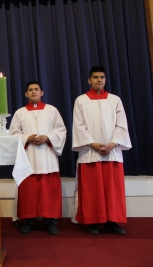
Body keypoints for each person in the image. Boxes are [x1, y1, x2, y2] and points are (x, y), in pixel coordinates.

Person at [72, 66, 132, 235]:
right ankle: (94, 222)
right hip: (90, 152)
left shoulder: (115, 100)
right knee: (92, 190)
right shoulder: (81, 100)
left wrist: (114, 143)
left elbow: (122, 124)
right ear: (89, 80)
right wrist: (93, 144)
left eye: (102, 77)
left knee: (114, 189)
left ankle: (113, 221)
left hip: (112, 152)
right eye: (96, 77)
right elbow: (79, 126)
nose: (99, 80)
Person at [9, 81, 66, 235]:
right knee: (29, 190)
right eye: (30, 90)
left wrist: (47, 137)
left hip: (48, 157)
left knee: (49, 190)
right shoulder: (20, 113)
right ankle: (29, 221)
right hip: (28, 157)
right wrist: (27, 138)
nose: (33, 92)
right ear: (26, 94)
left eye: (36, 89)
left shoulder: (52, 110)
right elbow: (13, 134)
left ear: (42, 92)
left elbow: (61, 131)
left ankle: (51, 221)